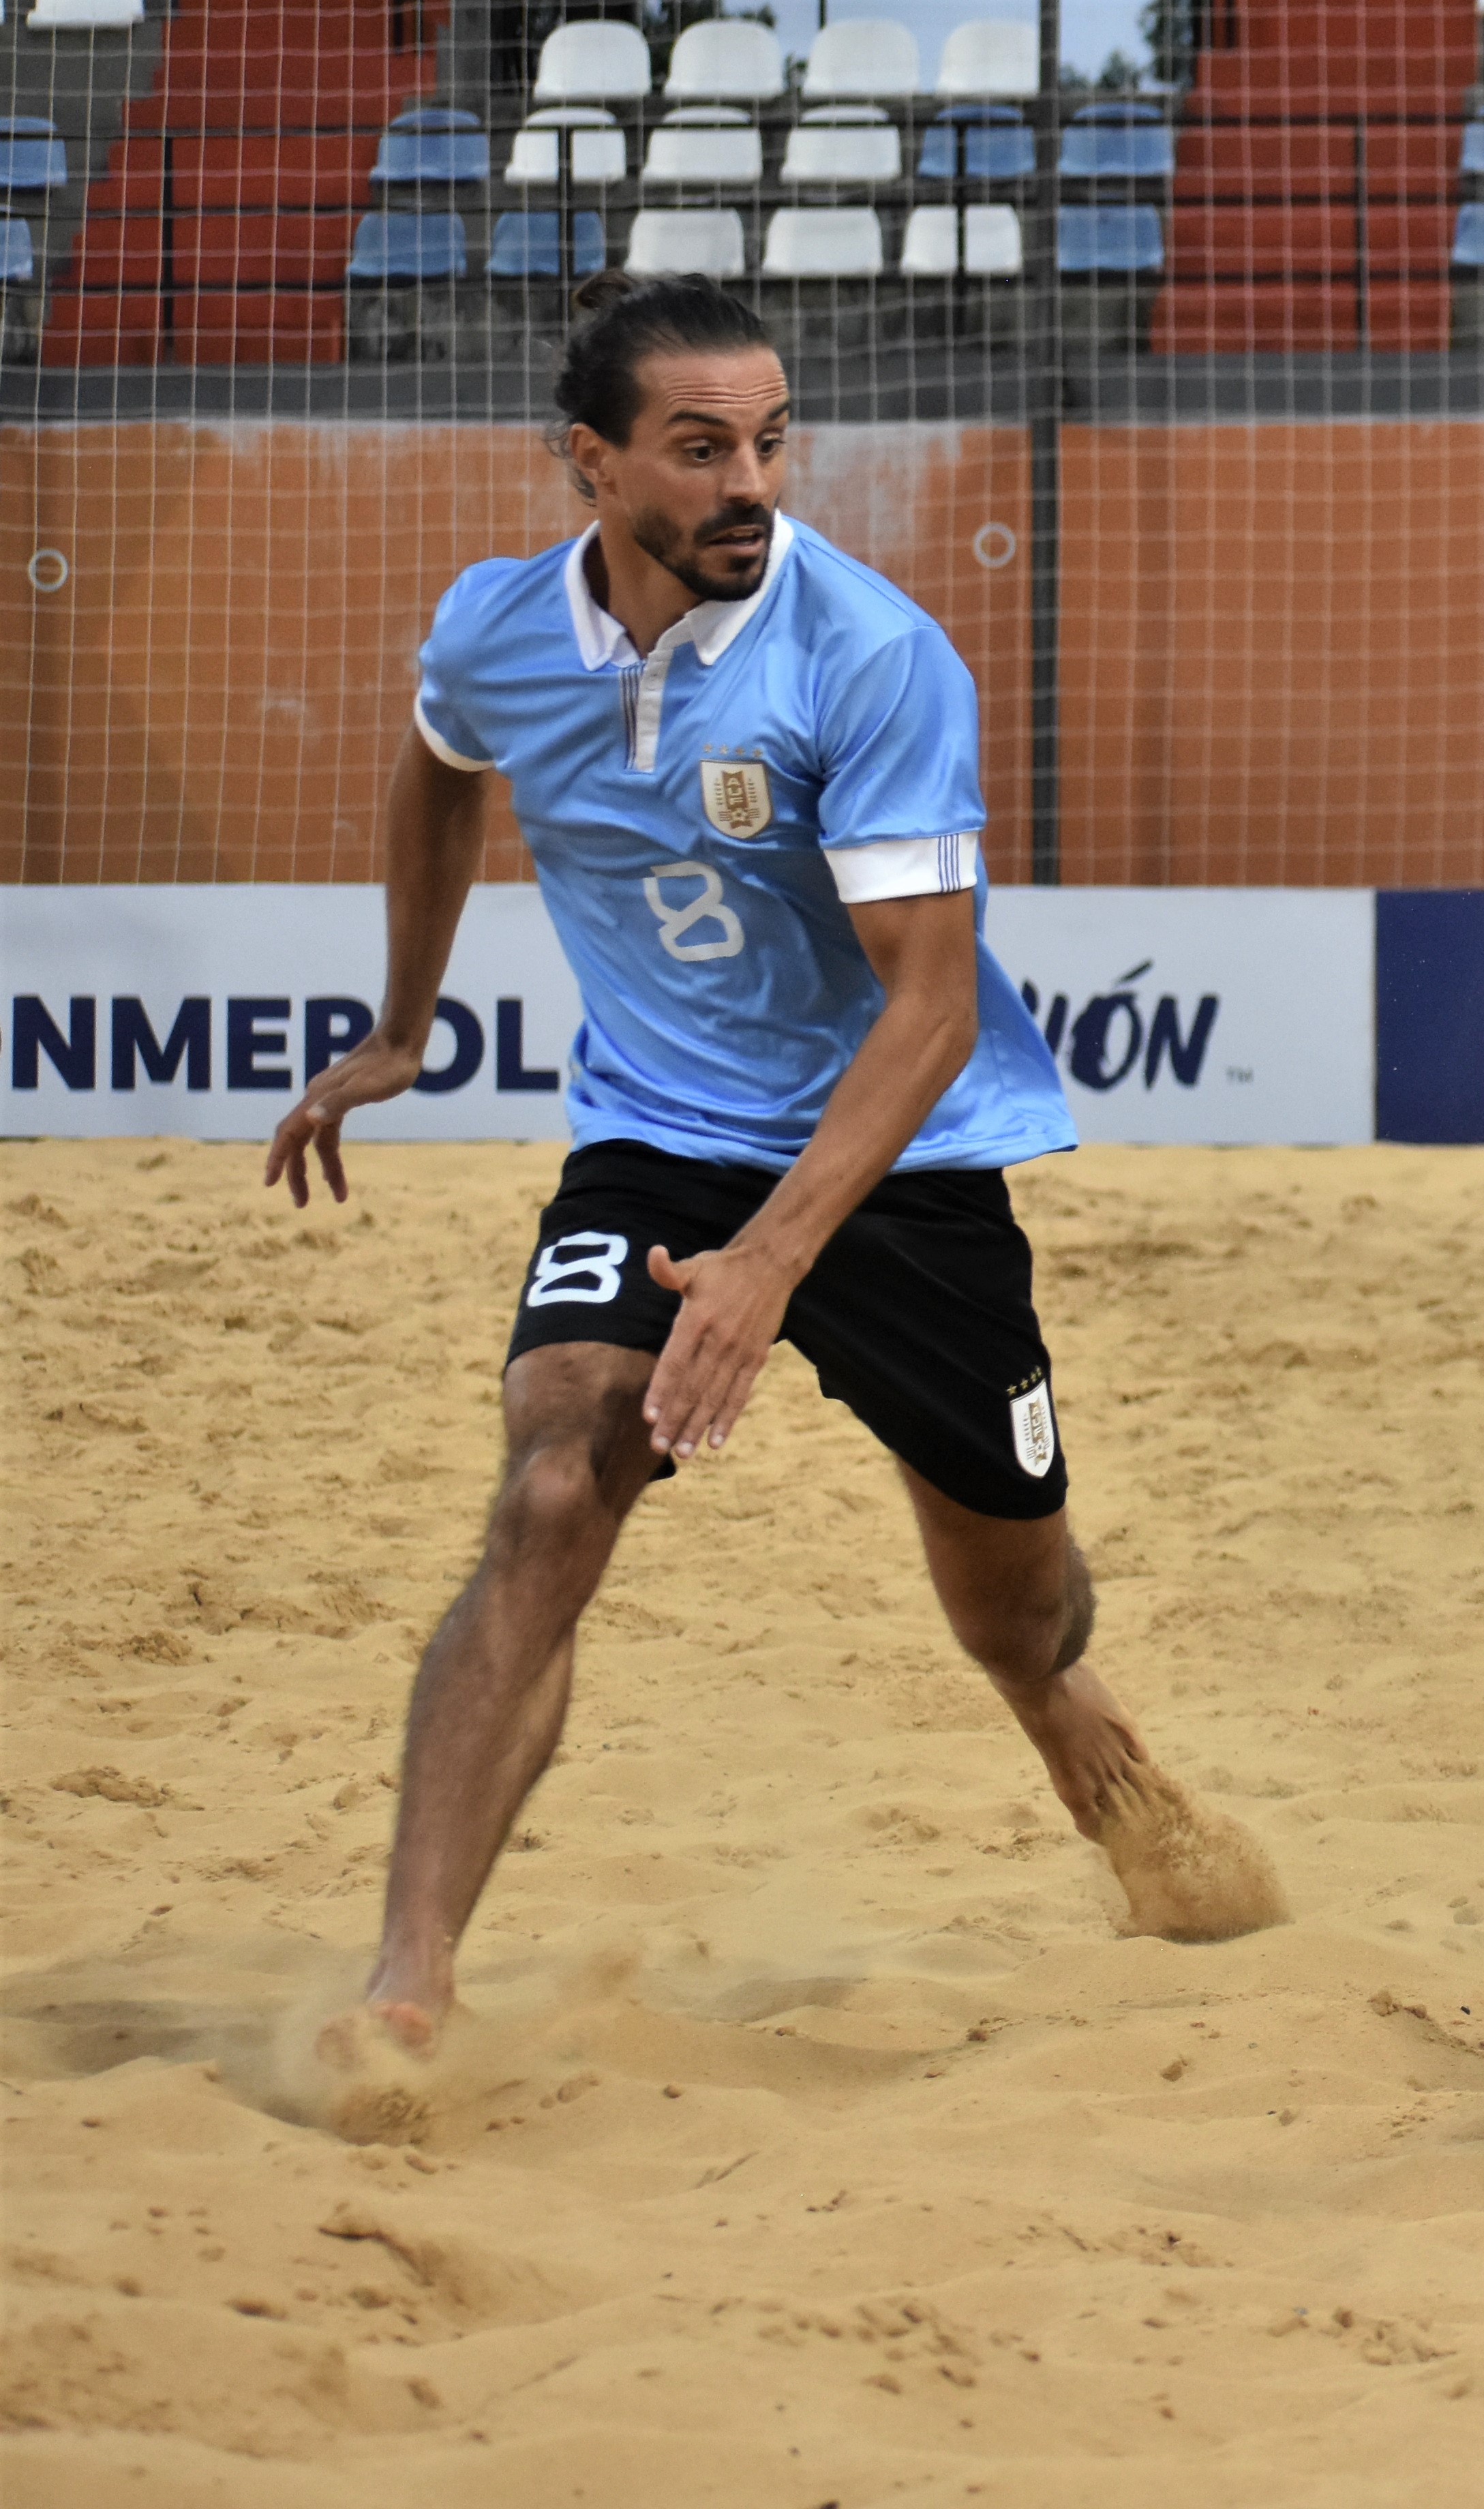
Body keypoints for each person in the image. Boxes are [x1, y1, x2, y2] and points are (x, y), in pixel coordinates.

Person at [269, 274, 1285, 2079]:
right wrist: (403, 1023)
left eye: (770, 439)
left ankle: (1079, 1737)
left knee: (1018, 1612)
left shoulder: (871, 655)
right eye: (700, 447)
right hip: (656, 1137)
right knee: (552, 1493)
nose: (751, 480)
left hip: (899, 1163)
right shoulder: (498, 630)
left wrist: (764, 1267)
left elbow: (934, 1007)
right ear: (591, 462)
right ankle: (406, 1989)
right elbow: (437, 773)